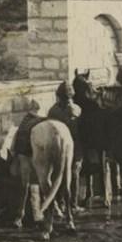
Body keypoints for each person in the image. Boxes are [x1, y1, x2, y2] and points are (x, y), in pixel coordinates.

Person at [47, 81, 84, 211]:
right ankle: (73, 204)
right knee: (74, 174)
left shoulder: (52, 110)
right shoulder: (76, 109)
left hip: (56, 146)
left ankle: (60, 202)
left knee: (58, 174)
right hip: (73, 146)